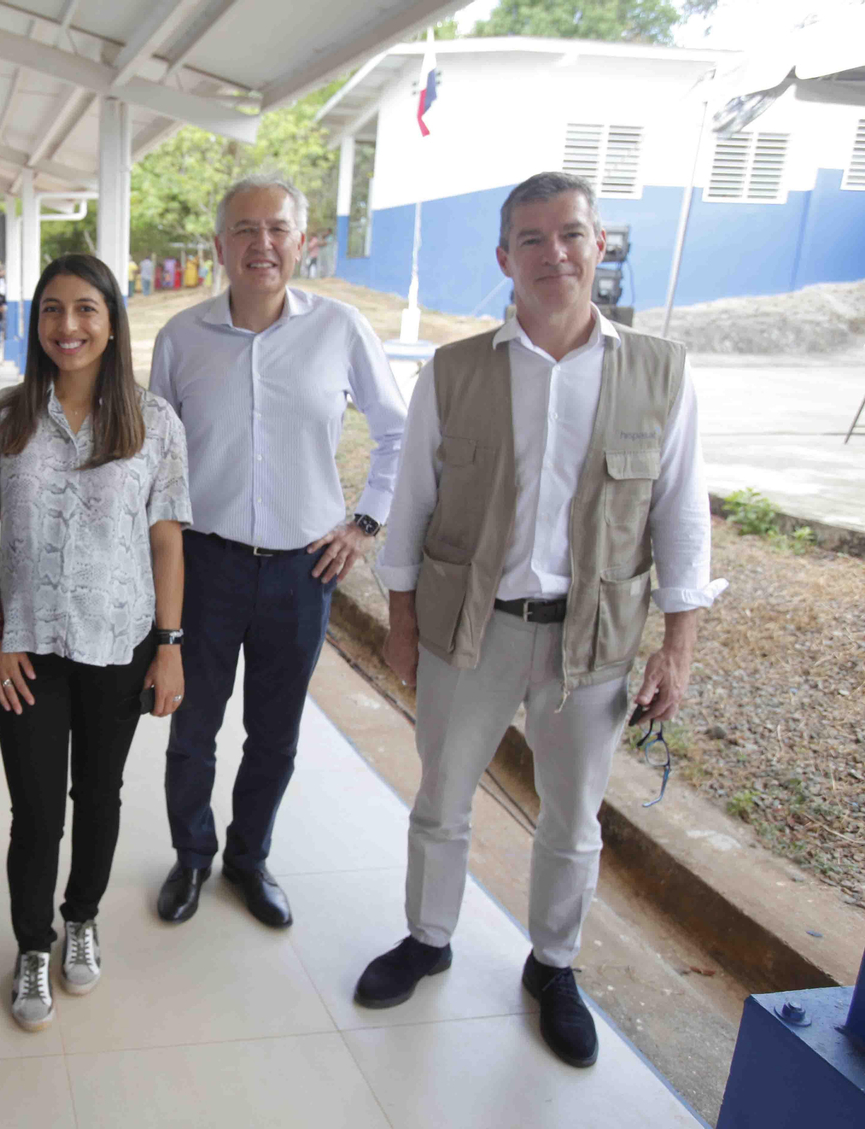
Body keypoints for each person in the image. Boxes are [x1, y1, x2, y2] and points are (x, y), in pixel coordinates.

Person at [354, 172, 725, 1069]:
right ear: (504, 258)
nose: (553, 252)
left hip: (591, 640)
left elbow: (680, 513)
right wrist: (399, 618)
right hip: (469, 629)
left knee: (574, 816)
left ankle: (553, 964)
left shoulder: (660, 373)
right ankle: (429, 935)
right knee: (442, 796)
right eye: (532, 238)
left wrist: (678, 644)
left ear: (599, 245)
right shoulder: (456, 369)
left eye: (571, 234)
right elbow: (414, 503)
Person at [150, 172, 407, 929]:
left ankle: (248, 857)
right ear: (221, 245)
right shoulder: (181, 338)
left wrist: (363, 523)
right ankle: (191, 857)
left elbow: (398, 432)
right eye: (245, 230)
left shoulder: (340, 328)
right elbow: (159, 458)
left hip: (303, 570)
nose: (262, 244)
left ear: (302, 241)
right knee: (193, 727)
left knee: (276, 731)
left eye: (278, 229)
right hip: (206, 565)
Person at [0, 253, 191, 1031]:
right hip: (27, 645)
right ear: (35, 322)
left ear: (112, 320)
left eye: (86, 309)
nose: (69, 326)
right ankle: (32, 944)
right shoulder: (8, 414)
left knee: (98, 793)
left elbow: (166, 540)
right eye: (53, 309)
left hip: (118, 643)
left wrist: (170, 642)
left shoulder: (153, 420)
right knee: (35, 809)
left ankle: (81, 916)